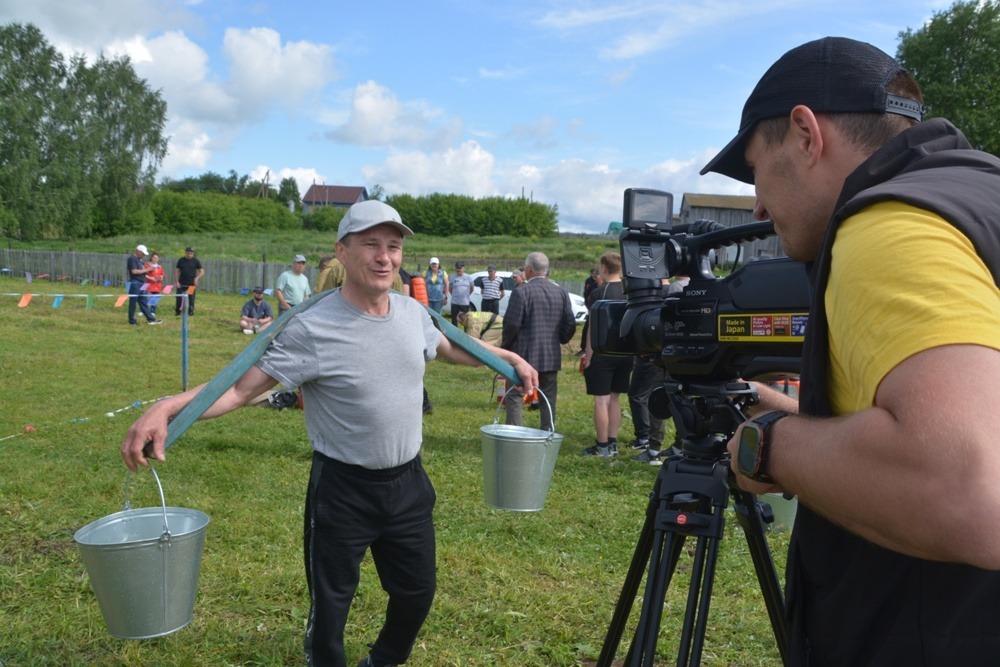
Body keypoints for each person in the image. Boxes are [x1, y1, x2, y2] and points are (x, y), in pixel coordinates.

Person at [120, 199, 537, 667]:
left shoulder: (412, 313)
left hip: (408, 484)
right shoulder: (312, 327)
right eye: (371, 244)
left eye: (393, 246)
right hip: (342, 490)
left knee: (417, 591)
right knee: (332, 604)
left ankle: (382, 661)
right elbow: (238, 389)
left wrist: (510, 359)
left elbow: (452, 346)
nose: (384, 257)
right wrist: (167, 407)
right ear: (342, 251)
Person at [700, 37, 1000, 664]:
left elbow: (967, 488)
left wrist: (769, 445)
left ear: (806, 135)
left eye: (755, 169)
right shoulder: (977, 199)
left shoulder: (890, 224)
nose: (757, 204)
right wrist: (799, 415)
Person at [502, 251, 576, 432]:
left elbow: (511, 324)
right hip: (550, 355)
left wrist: (506, 347)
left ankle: (515, 434)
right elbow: (570, 323)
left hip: (523, 355)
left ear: (528, 269)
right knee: (548, 398)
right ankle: (547, 434)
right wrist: (559, 339)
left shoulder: (521, 292)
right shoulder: (560, 292)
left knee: (515, 395)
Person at [581, 253, 631, 457]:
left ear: (603, 268)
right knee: (615, 399)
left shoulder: (599, 293)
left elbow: (592, 328)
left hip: (603, 352)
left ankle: (602, 446)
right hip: (626, 353)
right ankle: (612, 442)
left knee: (601, 400)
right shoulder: (631, 291)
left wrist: (588, 355)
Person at [126, 244, 160, 326]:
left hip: (141, 283)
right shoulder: (132, 259)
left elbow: (142, 271)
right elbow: (134, 271)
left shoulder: (140, 260)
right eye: (143, 253)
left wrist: (149, 271)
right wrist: (147, 270)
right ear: (138, 251)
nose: (144, 255)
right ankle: (132, 321)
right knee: (133, 302)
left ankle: (151, 319)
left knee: (143, 302)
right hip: (135, 283)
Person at [174, 247, 204, 316]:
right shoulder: (181, 260)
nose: (189, 255)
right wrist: (177, 281)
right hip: (181, 283)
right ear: (185, 253)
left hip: (191, 283)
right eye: (188, 253)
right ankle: (178, 311)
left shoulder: (195, 261)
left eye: (191, 254)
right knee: (179, 297)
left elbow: (202, 271)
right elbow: (176, 270)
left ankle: (190, 311)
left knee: (191, 298)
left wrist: (196, 279)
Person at [448, 261, 474, 325]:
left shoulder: (468, 277)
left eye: (460, 268)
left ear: (463, 268)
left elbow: (472, 288)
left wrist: (466, 295)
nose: (458, 270)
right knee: (454, 320)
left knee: (466, 320)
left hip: (465, 303)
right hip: (455, 302)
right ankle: (454, 331)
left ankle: (466, 331)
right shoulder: (452, 277)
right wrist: (455, 295)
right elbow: (450, 289)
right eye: (457, 268)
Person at [143, 251, 165, 316]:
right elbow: (144, 274)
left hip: (157, 286)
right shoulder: (147, 265)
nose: (156, 259)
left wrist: (161, 277)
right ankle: (144, 311)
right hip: (149, 285)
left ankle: (152, 311)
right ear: (151, 258)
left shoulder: (159, 266)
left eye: (157, 258)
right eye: (155, 258)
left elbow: (163, 274)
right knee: (147, 298)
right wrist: (150, 278)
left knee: (155, 299)